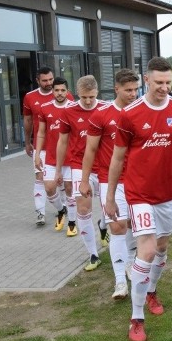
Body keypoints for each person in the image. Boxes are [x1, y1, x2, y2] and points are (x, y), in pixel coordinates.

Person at [104, 57, 172, 341]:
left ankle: (150, 291)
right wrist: (110, 197)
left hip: (167, 193)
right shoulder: (129, 114)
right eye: (158, 82)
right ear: (146, 79)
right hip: (139, 194)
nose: (164, 87)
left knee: (161, 247)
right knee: (145, 251)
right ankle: (136, 318)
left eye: (168, 82)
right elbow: (117, 158)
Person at [79, 69, 139, 300]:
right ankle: (120, 282)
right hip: (110, 181)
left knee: (134, 227)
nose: (133, 94)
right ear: (116, 89)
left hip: (138, 181)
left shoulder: (141, 113)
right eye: (128, 90)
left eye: (135, 90)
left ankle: (131, 263)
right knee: (117, 227)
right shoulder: (101, 115)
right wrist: (84, 180)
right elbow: (91, 150)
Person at [55, 75, 107, 269]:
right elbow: (62, 142)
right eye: (84, 97)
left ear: (97, 93)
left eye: (91, 97)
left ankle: (103, 226)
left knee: (110, 210)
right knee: (83, 210)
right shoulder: (68, 111)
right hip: (79, 167)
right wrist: (59, 169)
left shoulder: (105, 108)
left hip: (103, 167)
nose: (87, 101)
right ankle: (93, 254)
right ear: (77, 93)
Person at [22, 66, 72, 225]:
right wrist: (28, 141)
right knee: (40, 178)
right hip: (42, 146)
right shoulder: (30, 97)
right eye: (45, 80)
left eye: (51, 79)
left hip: (63, 147)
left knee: (63, 181)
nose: (49, 83)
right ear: (38, 81)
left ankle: (64, 208)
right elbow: (28, 121)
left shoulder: (65, 94)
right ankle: (40, 213)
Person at [33, 77, 73, 232]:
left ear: (67, 91)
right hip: (50, 157)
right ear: (53, 91)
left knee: (69, 189)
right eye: (57, 90)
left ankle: (72, 222)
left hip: (71, 157)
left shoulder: (74, 107)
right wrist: (37, 154)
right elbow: (41, 133)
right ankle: (61, 209)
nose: (60, 93)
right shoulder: (45, 108)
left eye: (63, 90)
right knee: (49, 188)